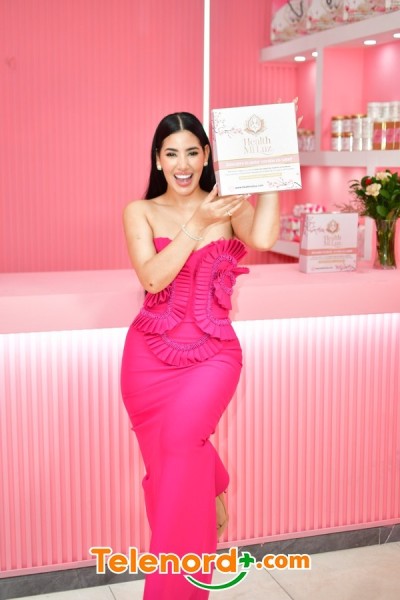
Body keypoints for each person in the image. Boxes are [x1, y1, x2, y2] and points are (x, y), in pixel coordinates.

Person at [120, 111, 279, 599]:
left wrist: (273, 161)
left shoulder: (228, 205)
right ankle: (208, 489)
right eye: (172, 153)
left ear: (207, 155)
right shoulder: (140, 211)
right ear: (158, 160)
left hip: (214, 353)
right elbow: (152, 278)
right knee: (168, 474)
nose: (183, 164)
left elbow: (264, 238)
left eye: (192, 152)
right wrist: (197, 224)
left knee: (180, 442)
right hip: (148, 357)